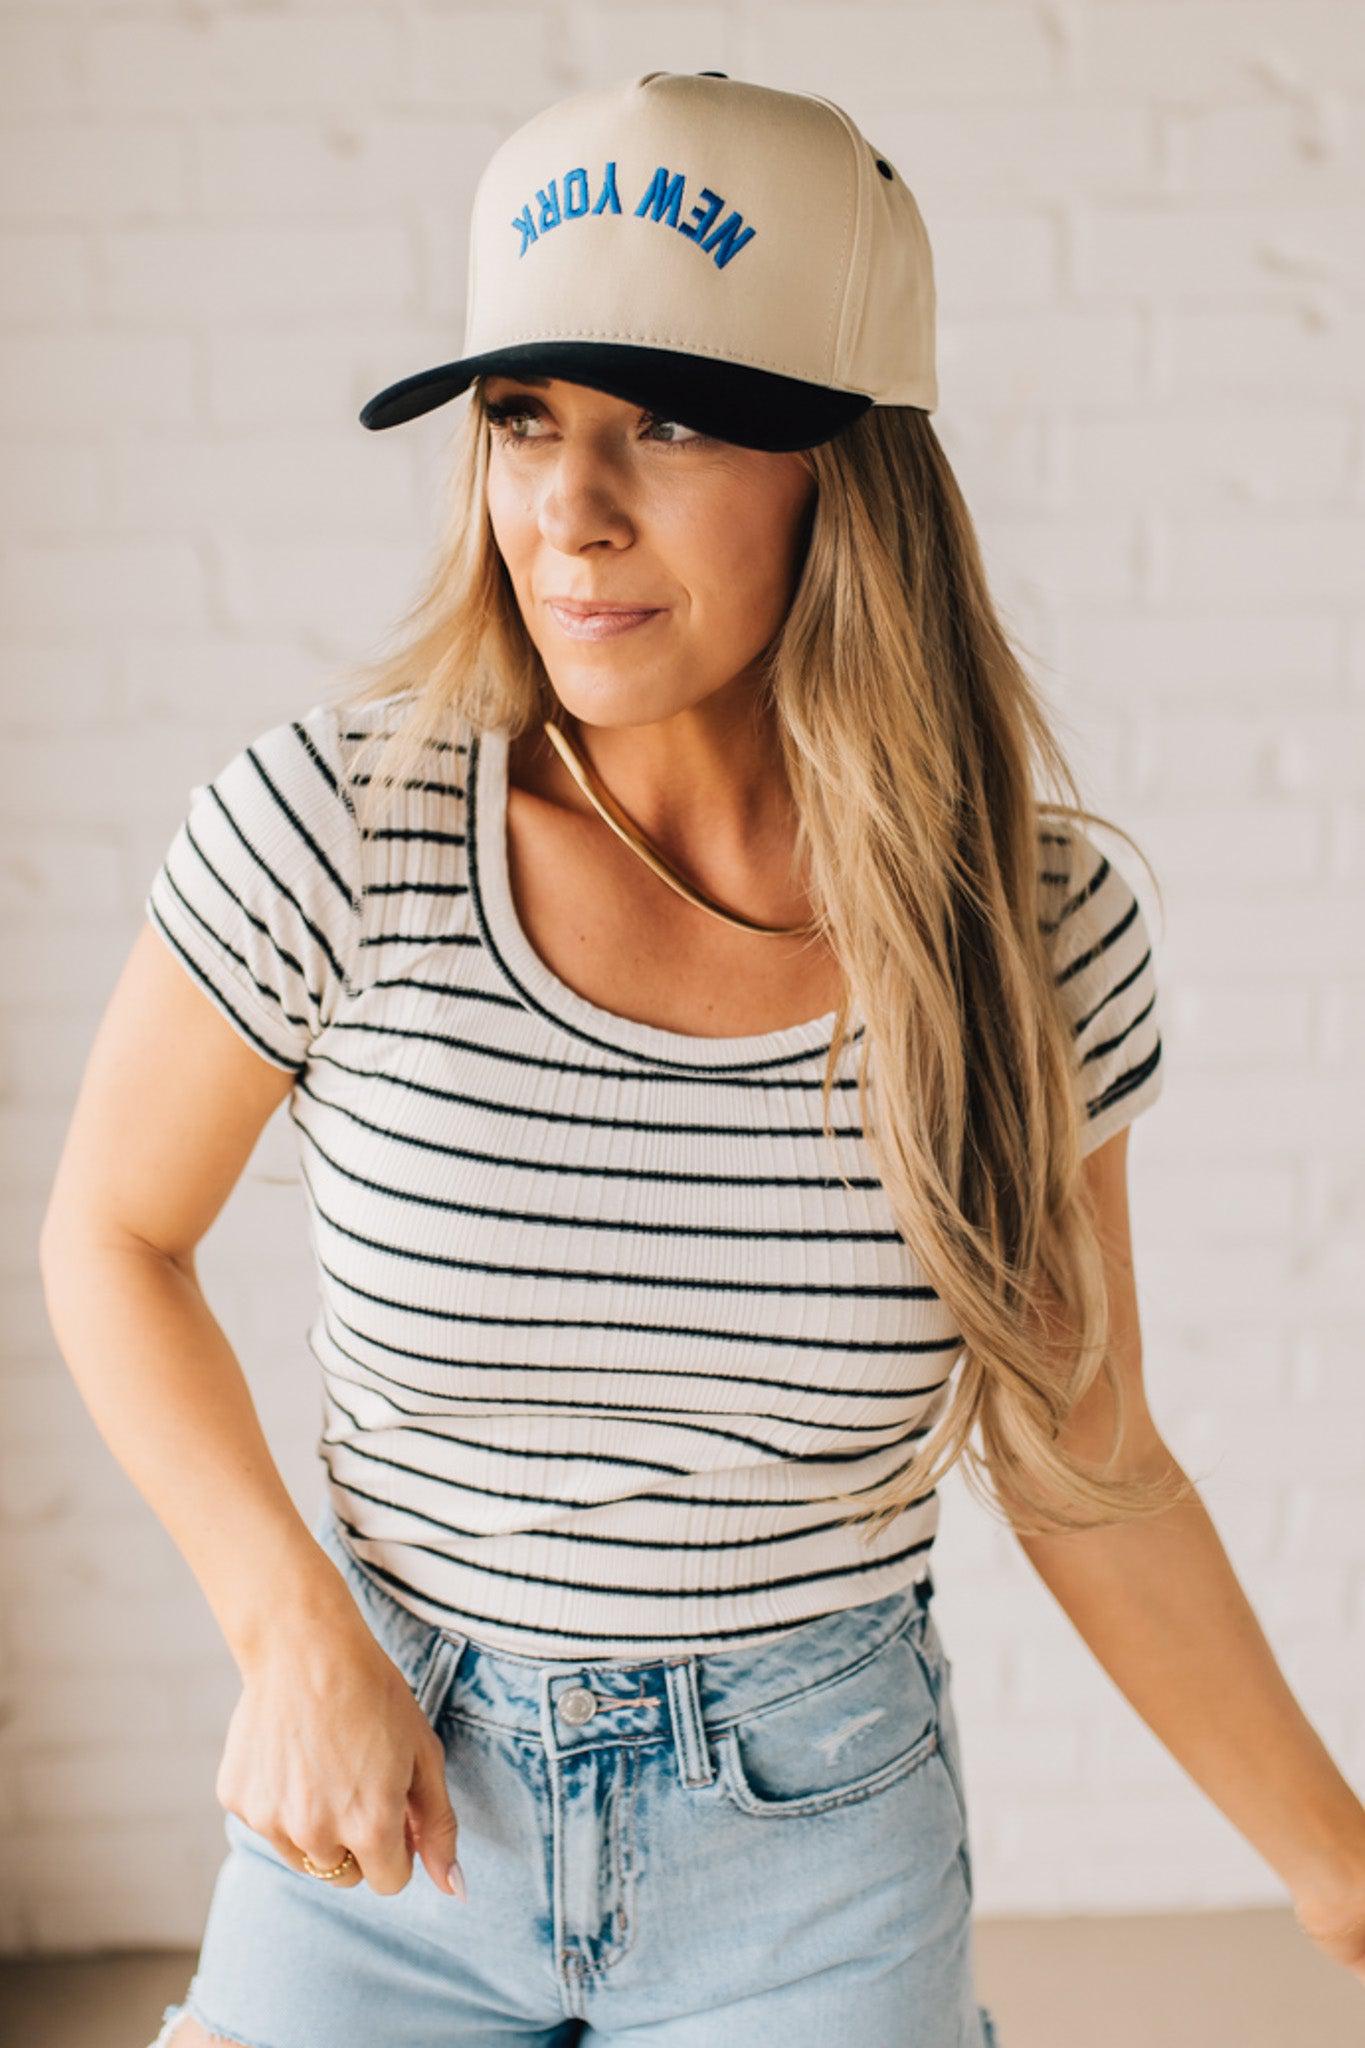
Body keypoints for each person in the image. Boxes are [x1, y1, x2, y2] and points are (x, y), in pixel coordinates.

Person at [38, 69, 1365, 2048]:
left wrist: (1337, 1867)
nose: (568, 511)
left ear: (845, 457)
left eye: (664, 420)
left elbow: (1085, 1456)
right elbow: (109, 1234)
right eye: (521, 420)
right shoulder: (339, 825)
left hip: (809, 1837)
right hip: (395, 1800)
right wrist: (283, 1619)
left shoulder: (1021, 927)